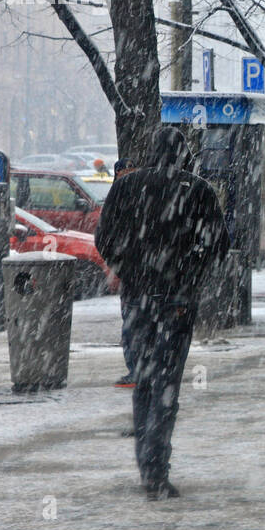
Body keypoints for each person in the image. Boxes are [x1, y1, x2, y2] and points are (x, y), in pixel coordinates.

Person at [96, 127, 231, 500]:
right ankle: (158, 466)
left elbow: (103, 236)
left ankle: (146, 462)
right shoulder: (198, 190)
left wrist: (126, 269)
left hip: (138, 300)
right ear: (183, 155)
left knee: (143, 381)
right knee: (166, 385)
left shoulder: (126, 187)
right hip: (178, 302)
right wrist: (192, 274)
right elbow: (219, 244)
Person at [111, 157, 139, 389]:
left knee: (134, 321)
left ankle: (139, 368)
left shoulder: (136, 197)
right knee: (130, 321)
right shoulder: (121, 199)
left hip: (137, 270)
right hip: (132, 271)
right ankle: (136, 368)